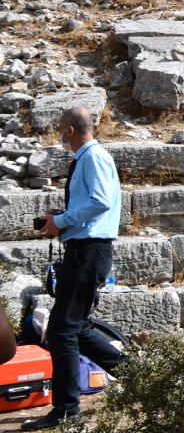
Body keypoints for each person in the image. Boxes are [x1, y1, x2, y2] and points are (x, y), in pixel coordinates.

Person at [26, 107, 126, 430]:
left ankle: (67, 412)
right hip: (85, 251)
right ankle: (135, 372)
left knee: (62, 330)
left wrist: (63, 220)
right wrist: (62, 217)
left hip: (87, 252)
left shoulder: (92, 157)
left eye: (60, 129)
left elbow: (101, 201)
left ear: (70, 131)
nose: (59, 134)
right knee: (75, 327)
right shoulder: (91, 158)